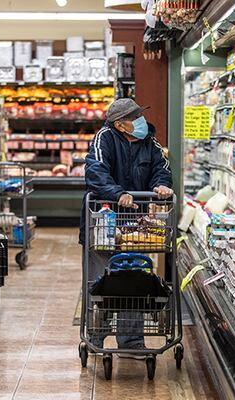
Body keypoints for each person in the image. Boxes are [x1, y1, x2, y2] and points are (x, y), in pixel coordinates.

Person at [80, 98, 173, 355]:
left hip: (135, 227)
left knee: (133, 282)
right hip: (103, 223)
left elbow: (161, 168)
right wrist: (117, 192)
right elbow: (95, 171)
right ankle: (97, 337)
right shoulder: (104, 139)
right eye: (135, 117)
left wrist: (161, 185)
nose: (141, 120)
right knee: (102, 282)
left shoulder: (149, 142)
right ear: (120, 125)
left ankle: (131, 342)